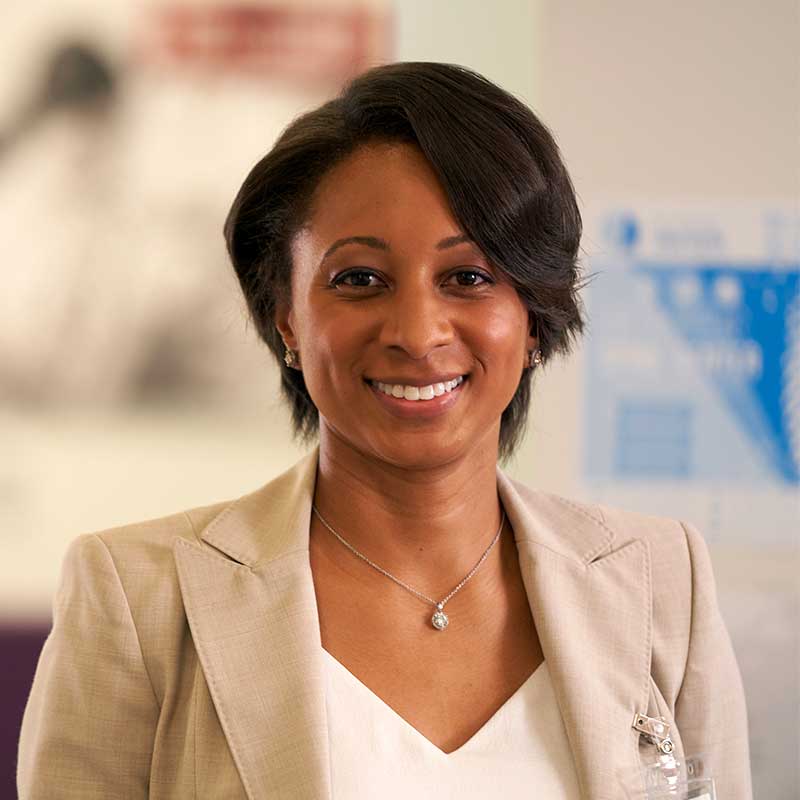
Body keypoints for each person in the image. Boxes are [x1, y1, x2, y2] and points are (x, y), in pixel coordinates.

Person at [17, 61, 752, 799]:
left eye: (468, 277)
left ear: (533, 315)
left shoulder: (660, 582)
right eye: (359, 279)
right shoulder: (138, 597)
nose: (417, 332)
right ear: (286, 319)